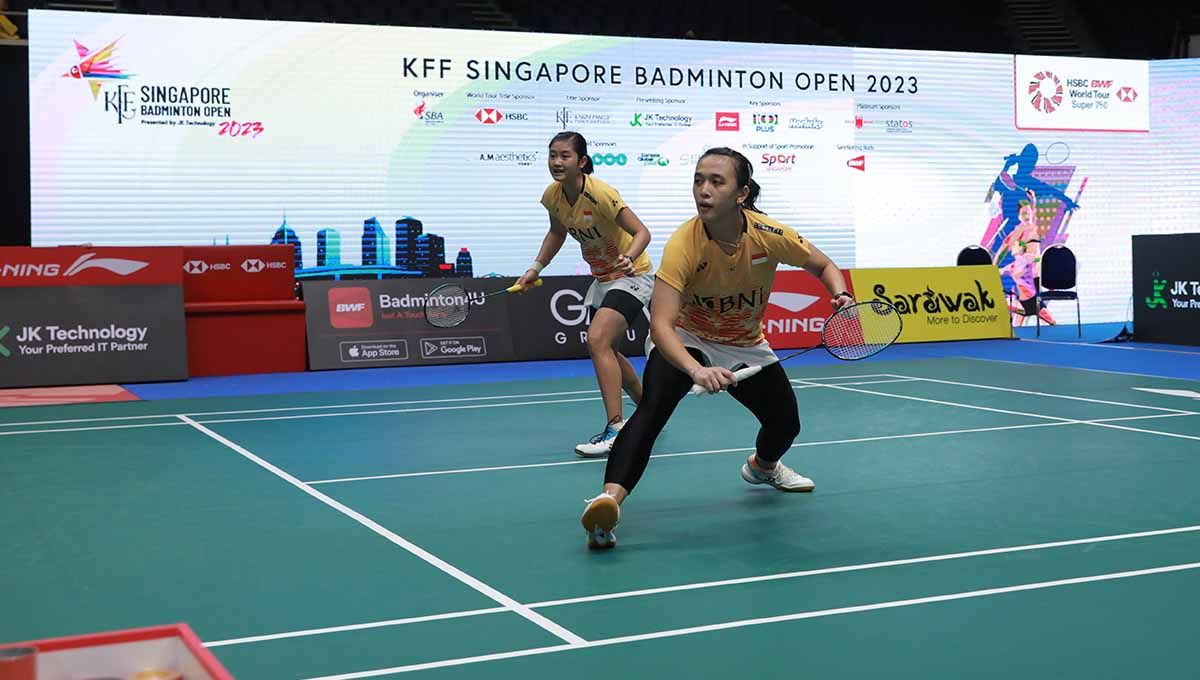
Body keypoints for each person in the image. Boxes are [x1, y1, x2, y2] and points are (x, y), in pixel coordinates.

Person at [578, 147, 853, 549]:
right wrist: (695, 369)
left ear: (741, 194)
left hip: (745, 344)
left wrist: (839, 294)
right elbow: (661, 323)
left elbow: (823, 265)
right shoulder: (683, 244)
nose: (703, 190)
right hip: (688, 338)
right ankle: (607, 503)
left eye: (716, 181)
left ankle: (763, 467)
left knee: (785, 424)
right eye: (698, 180)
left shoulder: (770, 235)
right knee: (652, 411)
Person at [516, 131, 654, 457]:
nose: (557, 162)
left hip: (632, 275)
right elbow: (557, 232)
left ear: (582, 161)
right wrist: (536, 267)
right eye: (552, 155)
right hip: (603, 279)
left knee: (597, 341)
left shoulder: (601, 194)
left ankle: (616, 427)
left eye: (565, 156)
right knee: (612, 353)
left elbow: (642, 232)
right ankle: (650, 413)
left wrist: (629, 256)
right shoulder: (553, 196)